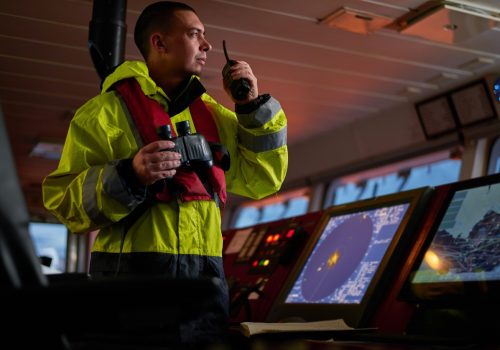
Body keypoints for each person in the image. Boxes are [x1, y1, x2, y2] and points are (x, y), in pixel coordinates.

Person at [42, 1, 287, 346]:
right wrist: (129, 175)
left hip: (204, 293)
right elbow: (62, 202)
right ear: (159, 43)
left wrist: (250, 108)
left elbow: (263, 179)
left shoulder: (215, 117)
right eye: (194, 34)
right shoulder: (102, 115)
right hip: (129, 295)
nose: (207, 46)